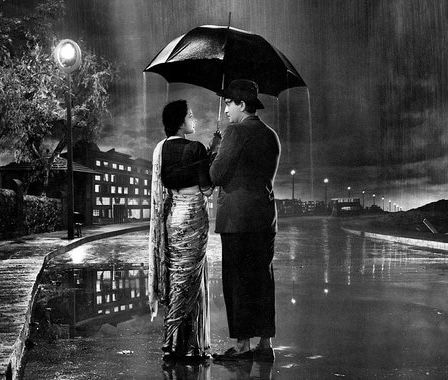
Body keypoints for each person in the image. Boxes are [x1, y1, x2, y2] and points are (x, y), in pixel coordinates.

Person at [210, 79, 280, 362]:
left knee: (238, 283)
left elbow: (216, 175)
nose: (226, 108)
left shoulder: (235, 132)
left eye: (229, 103)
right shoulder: (271, 135)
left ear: (241, 105)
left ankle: (242, 347)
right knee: (262, 280)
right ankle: (265, 344)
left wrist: (215, 148)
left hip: (237, 221)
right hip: (264, 218)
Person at [148, 99, 218, 362]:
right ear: (180, 121)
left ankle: (176, 342)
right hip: (193, 217)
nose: (194, 119)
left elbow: (170, 181)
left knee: (178, 277)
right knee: (190, 282)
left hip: (172, 217)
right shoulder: (196, 148)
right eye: (190, 115)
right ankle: (176, 343)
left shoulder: (160, 149)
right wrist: (213, 157)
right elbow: (207, 188)